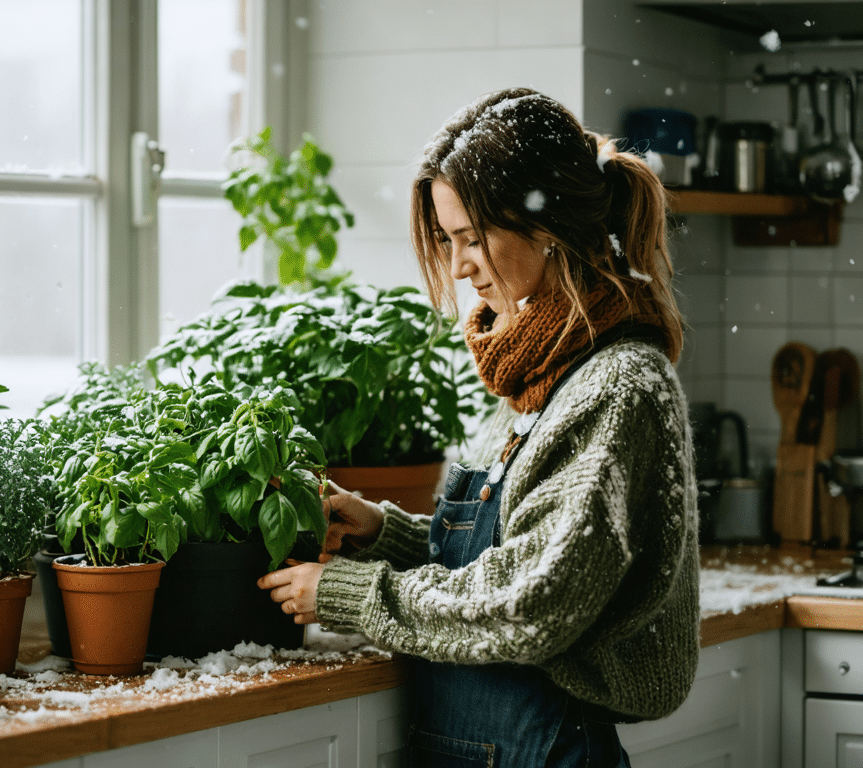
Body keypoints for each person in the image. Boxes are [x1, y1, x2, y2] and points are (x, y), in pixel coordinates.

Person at [258, 87, 700, 767]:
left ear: (546, 229)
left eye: (471, 238)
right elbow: (509, 559)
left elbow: (534, 603)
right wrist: (386, 534)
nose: (459, 266)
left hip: (544, 747)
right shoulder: (537, 363)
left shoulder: (618, 385)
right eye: (448, 239)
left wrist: (348, 593)